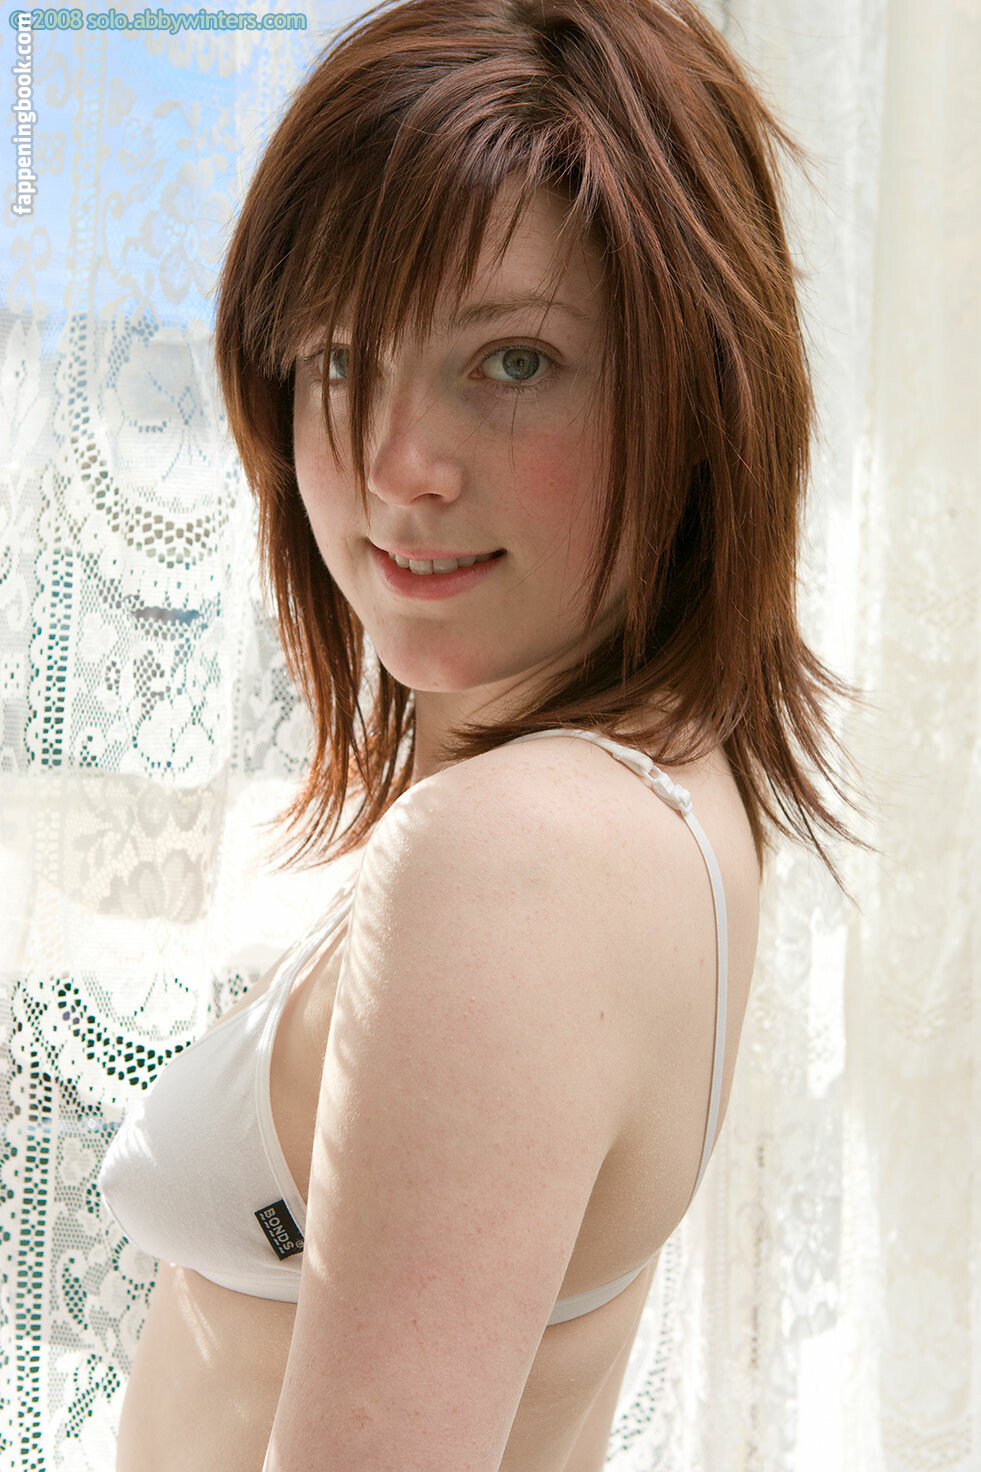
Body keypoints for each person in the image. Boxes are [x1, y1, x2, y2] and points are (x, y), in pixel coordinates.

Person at [96, 1, 871, 1468]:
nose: (401, 469)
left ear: (698, 388)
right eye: (339, 359)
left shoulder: (511, 860)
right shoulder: (654, 782)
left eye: (512, 363)